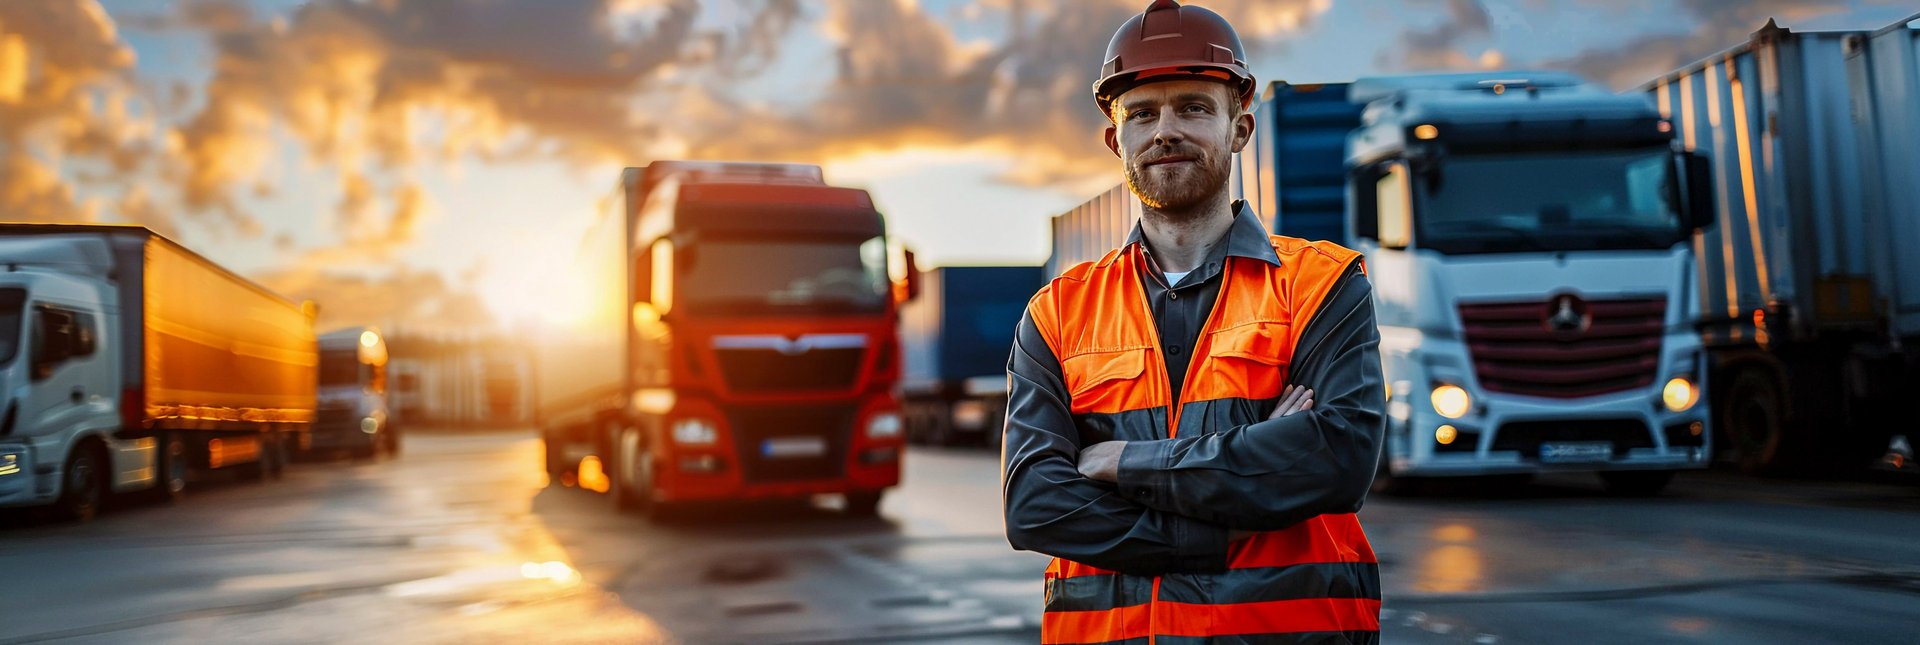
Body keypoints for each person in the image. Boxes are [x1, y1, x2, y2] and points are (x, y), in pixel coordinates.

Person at [1000, 1, 1387, 642]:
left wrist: (1120, 463)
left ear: (1239, 128)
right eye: (1143, 114)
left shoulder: (1320, 285)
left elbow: (1337, 461)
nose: (1165, 130)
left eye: (1194, 107)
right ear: (1114, 138)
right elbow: (1035, 506)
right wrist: (1240, 500)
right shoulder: (1058, 312)